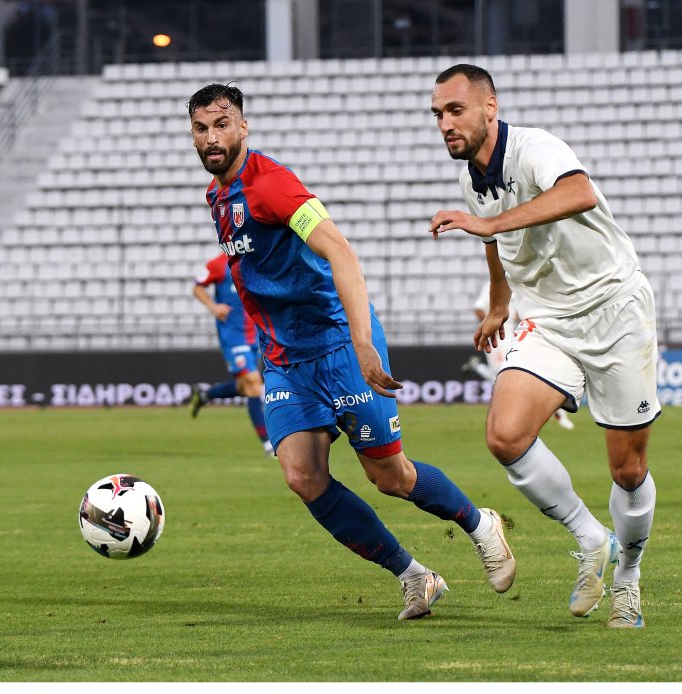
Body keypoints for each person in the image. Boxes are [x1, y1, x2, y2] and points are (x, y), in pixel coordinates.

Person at [188, 82, 516, 620]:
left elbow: (341, 252)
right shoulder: (217, 197)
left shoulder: (272, 185)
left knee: (391, 478)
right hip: (285, 360)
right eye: (201, 129)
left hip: (339, 344)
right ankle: (415, 576)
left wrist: (363, 344)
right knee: (302, 476)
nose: (211, 138)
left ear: (243, 127)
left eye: (222, 125)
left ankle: (481, 525)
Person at [429, 64, 659, 628]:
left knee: (628, 470)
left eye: (455, 110)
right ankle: (591, 537)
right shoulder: (471, 181)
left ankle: (628, 577)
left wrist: (490, 225)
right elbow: (495, 242)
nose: (445, 123)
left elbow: (578, 192)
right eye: (437, 114)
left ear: (490, 108)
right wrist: (498, 304)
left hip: (614, 309)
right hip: (549, 319)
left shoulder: (535, 148)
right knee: (505, 435)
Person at [188, 251, 274, 457]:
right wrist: (213, 306)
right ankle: (268, 444)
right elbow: (197, 287)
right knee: (253, 384)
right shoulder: (218, 264)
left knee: (245, 386)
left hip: (255, 334)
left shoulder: (256, 259)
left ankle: (207, 394)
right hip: (233, 336)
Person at [464, 280, 574, 431]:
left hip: (513, 335)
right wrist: (492, 321)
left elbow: (517, 314)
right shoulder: (492, 284)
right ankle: (548, 411)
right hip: (497, 338)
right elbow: (478, 309)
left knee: (515, 373)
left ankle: (552, 410)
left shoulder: (518, 282)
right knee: (502, 375)